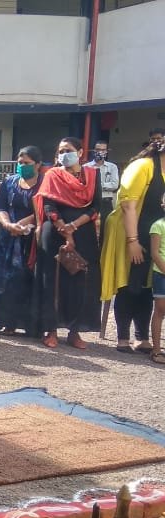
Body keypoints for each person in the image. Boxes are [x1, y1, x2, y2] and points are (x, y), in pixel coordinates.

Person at [34, 137, 103, 349]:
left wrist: (74, 226)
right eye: (61, 151)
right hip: (54, 232)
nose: (64, 154)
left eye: (69, 150)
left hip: (83, 232)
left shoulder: (92, 175)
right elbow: (48, 205)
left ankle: (75, 332)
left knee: (82, 282)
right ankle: (51, 330)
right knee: (52, 282)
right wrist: (65, 229)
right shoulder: (52, 175)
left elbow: (96, 206)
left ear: (80, 152)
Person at [101, 137, 165, 353]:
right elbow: (128, 207)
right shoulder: (143, 166)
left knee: (149, 287)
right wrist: (133, 241)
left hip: (155, 235)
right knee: (129, 284)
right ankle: (122, 337)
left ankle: (142, 337)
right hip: (130, 231)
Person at [0, 146, 43, 336]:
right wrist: (8, 225)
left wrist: (24, 223)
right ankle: (6, 323)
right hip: (8, 239)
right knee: (6, 281)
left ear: (38, 164)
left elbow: (46, 209)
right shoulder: (9, 182)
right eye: (20, 163)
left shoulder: (44, 183)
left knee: (30, 282)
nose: (22, 166)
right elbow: (0, 207)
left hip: (33, 241)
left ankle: (32, 327)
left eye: (27, 163)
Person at [85, 139, 120, 225]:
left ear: (107, 151)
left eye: (103, 150)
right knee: (89, 226)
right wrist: (104, 186)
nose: (100, 152)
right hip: (90, 203)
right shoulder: (85, 167)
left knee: (106, 228)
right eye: (98, 149)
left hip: (106, 202)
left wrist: (95, 185)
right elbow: (84, 186)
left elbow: (115, 185)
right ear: (93, 151)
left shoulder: (112, 167)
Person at [150, 197, 165, 365]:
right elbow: (155, 254)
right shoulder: (158, 226)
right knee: (160, 311)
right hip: (161, 274)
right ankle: (156, 350)